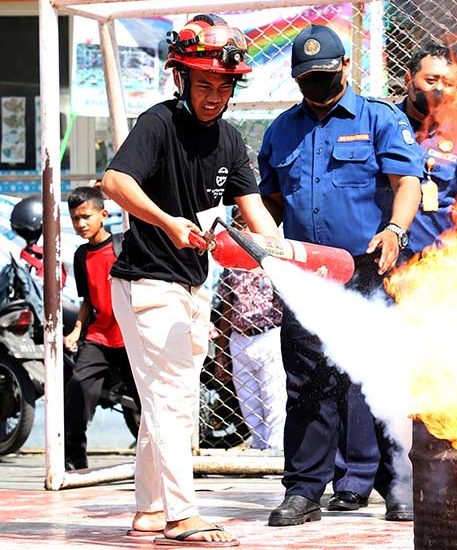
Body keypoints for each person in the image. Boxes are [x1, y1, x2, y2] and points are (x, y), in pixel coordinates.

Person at [100, 14, 280, 546]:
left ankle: (150, 511)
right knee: (174, 399)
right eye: (204, 84)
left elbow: (257, 216)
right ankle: (183, 515)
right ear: (179, 78)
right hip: (147, 283)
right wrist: (168, 222)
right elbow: (114, 180)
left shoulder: (229, 140)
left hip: (193, 286)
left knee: (165, 396)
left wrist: (282, 256)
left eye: (224, 86)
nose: (214, 96)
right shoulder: (157, 124)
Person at [258, 24, 423, 527]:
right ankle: (305, 490)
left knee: (381, 380)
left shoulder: (378, 119)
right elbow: (266, 201)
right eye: (307, 80)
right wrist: (263, 248)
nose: (317, 87)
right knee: (308, 383)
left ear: (346, 68)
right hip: (307, 275)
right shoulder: (281, 130)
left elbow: (408, 182)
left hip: (368, 271)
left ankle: (399, 487)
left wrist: (395, 229)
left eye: (325, 77)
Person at [63, 185, 139, 472]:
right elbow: (87, 300)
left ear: (103, 214)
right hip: (99, 336)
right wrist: (77, 330)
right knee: (77, 388)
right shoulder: (81, 255)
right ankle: (74, 461)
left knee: (145, 400)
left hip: (130, 337)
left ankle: (154, 463)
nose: (81, 224)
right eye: (75, 219)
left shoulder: (122, 246)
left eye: (86, 216)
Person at [398, 42, 457, 258]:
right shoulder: (381, 125)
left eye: (448, 83)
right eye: (430, 80)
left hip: (431, 267)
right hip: (377, 259)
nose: (439, 89)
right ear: (408, 80)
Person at [214, 208, 287, 450]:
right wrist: (222, 352)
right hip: (239, 337)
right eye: (237, 227)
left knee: (273, 397)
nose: (242, 233)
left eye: (246, 226)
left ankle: (276, 451)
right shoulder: (231, 265)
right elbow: (226, 306)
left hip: (268, 333)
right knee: (248, 399)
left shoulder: (274, 262)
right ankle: (259, 445)